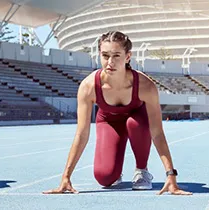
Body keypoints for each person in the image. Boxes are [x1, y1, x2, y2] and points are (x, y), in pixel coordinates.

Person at [43, 31, 191, 195]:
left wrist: (170, 174)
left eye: (116, 56)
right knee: (104, 178)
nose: (110, 62)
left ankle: (142, 170)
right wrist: (66, 177)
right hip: (108, 121)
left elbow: (157, 133)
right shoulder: (88, 87)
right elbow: (81, 134)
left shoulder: (145, 86)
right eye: (105, 55)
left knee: (134, 123)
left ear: (128, 57)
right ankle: (114, 170)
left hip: (138, 120)